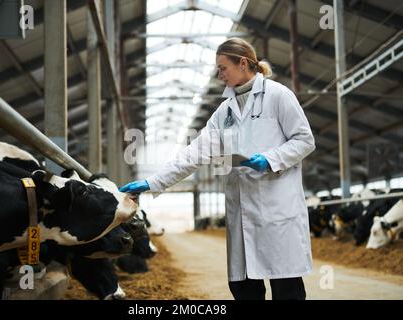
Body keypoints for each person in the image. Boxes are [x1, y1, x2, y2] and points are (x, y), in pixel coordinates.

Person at [120, 38, 315, 300]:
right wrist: (152, 182)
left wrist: (271, 159)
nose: (219, 74)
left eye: (223, 68)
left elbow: (304, 140)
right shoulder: (224, 112)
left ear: (242, 63)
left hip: (276, 211)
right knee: (243, 289)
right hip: (242, 213)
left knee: (286, 289)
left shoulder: (279, 96)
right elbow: (193, 154)